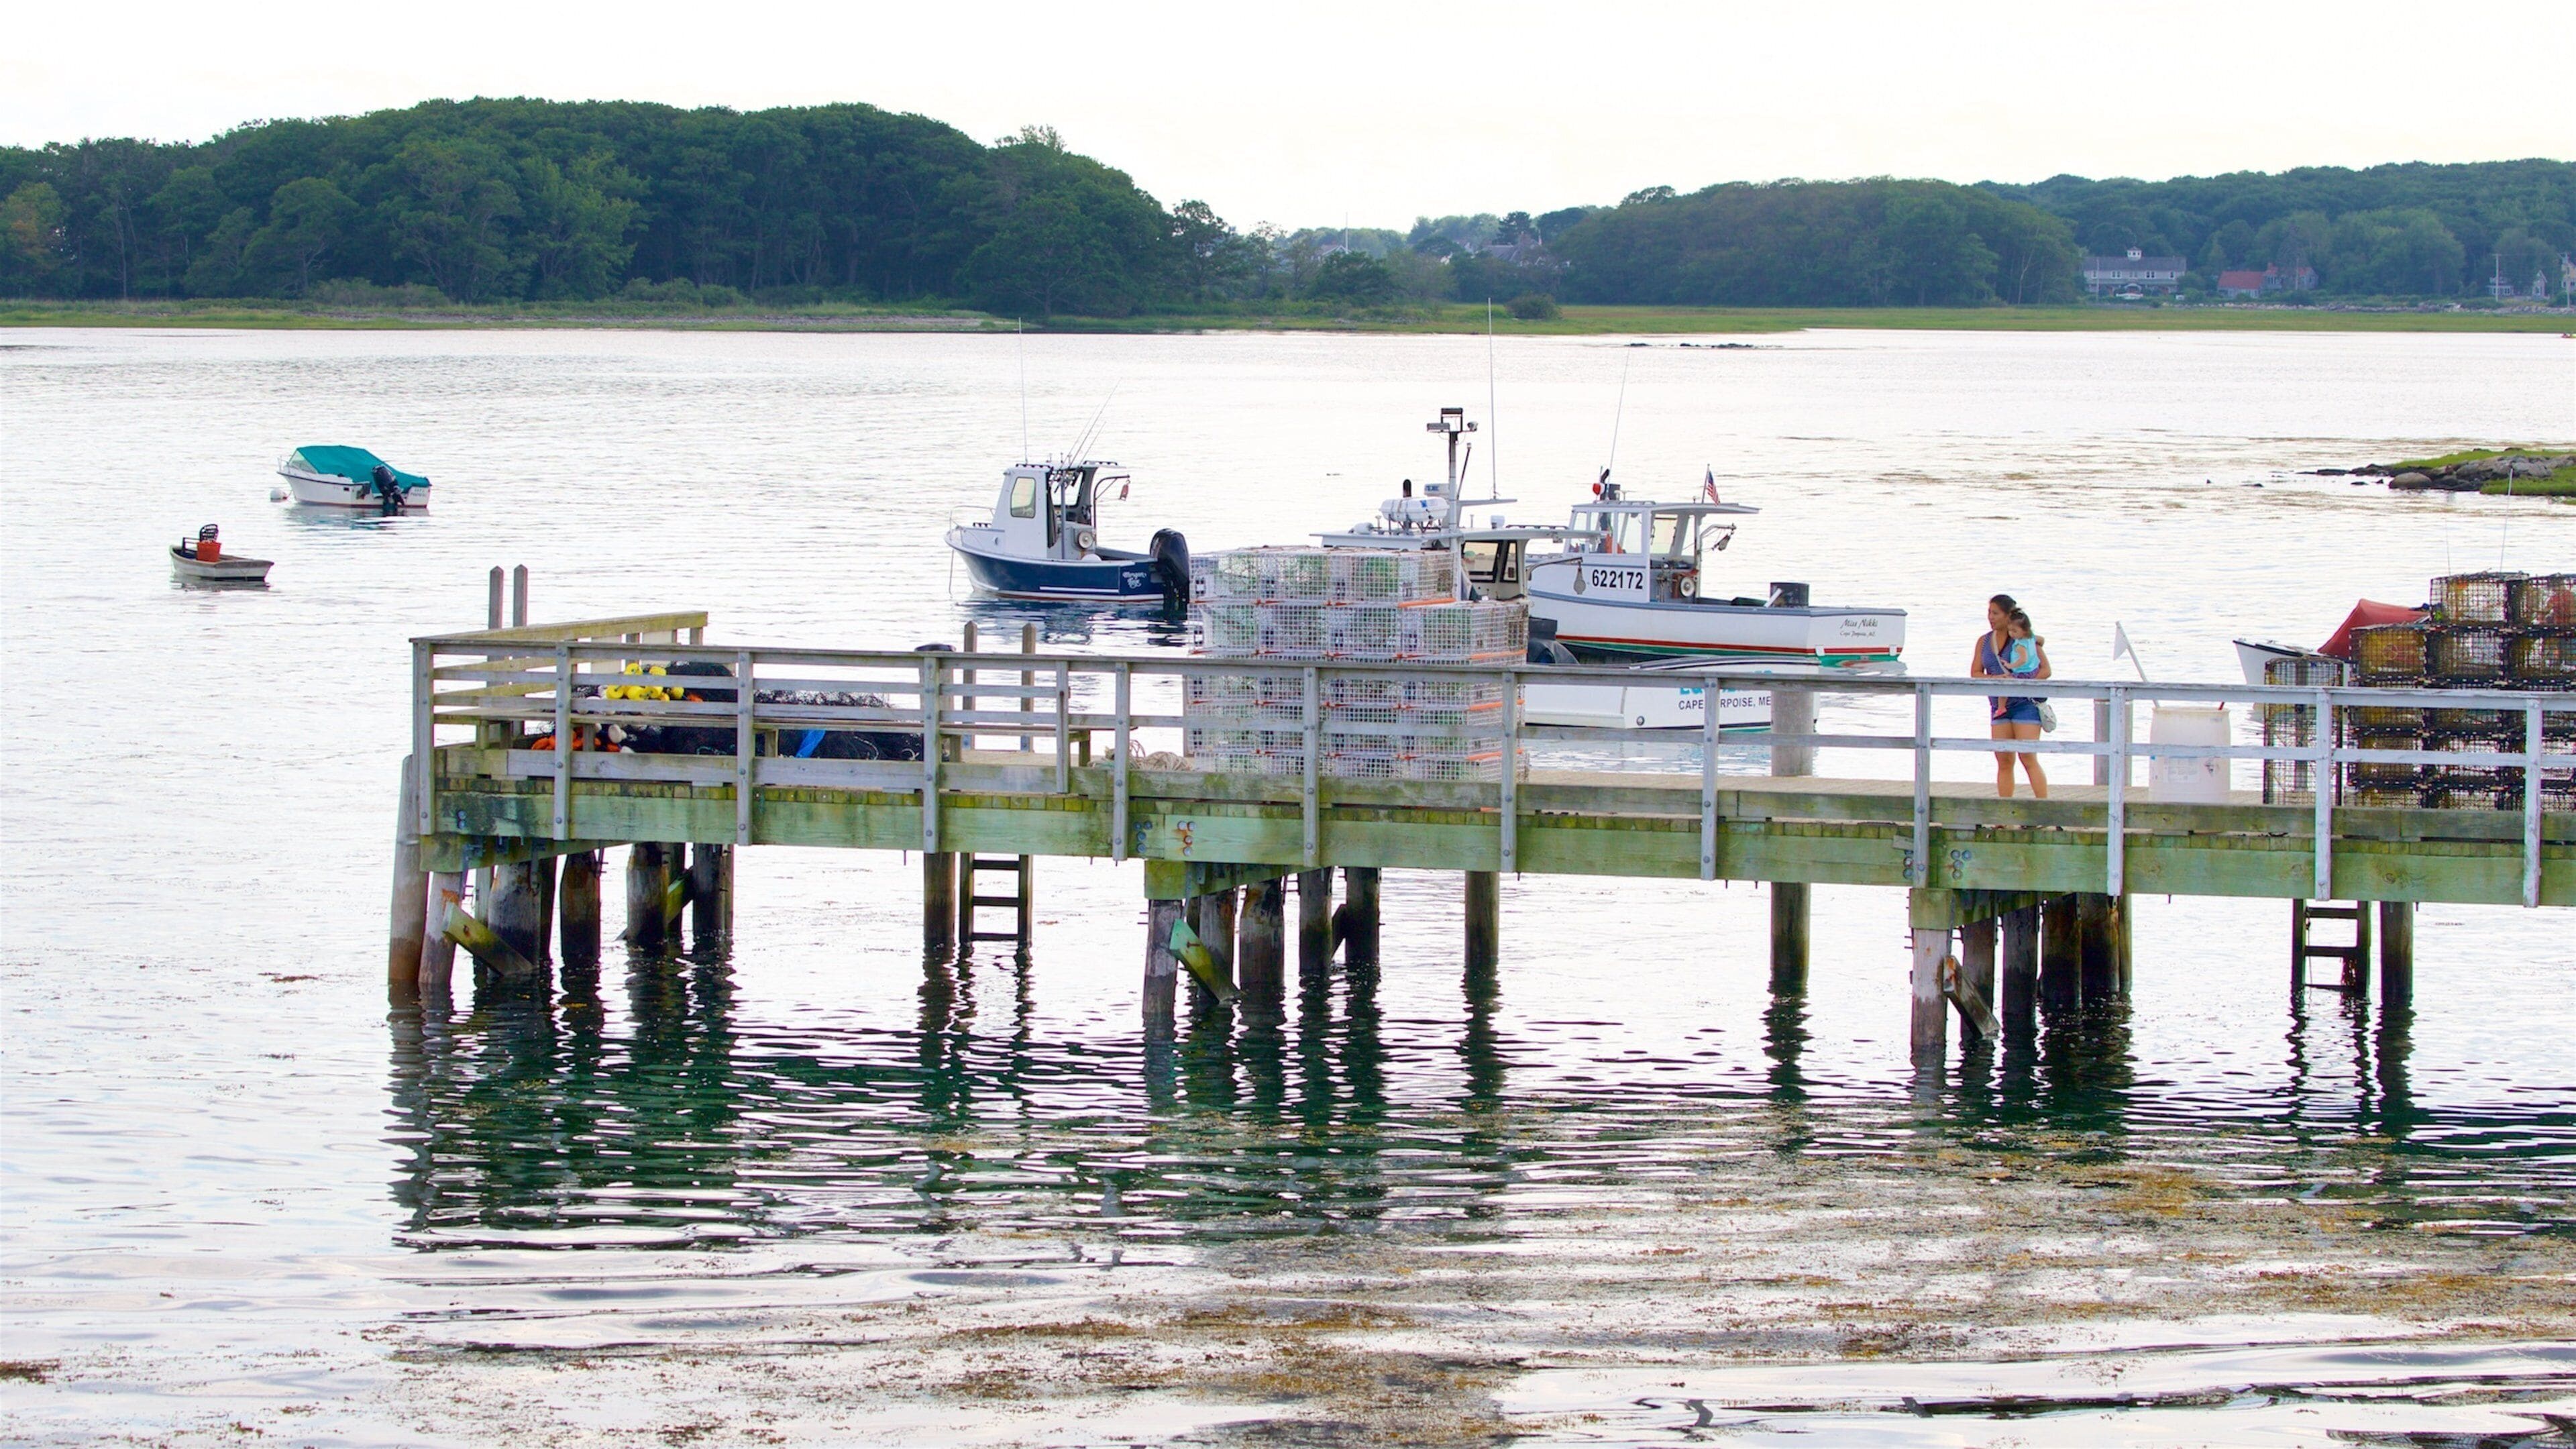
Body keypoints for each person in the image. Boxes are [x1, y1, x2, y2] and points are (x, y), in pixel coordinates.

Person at [1970, 594, 2049, 798]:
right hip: (1998, 705)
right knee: (2003, 760)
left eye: (1995, 613)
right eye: (1989, 612)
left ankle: (2044, 810)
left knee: (2028, 757)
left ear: (2008, 616)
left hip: (2025, 704)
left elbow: (2045, 670)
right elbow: (1976, 673)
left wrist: (2022, 685)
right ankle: (2004, 813)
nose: (1991, 617)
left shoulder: (2026, 640)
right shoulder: (1984, 641)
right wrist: (1997, 679)